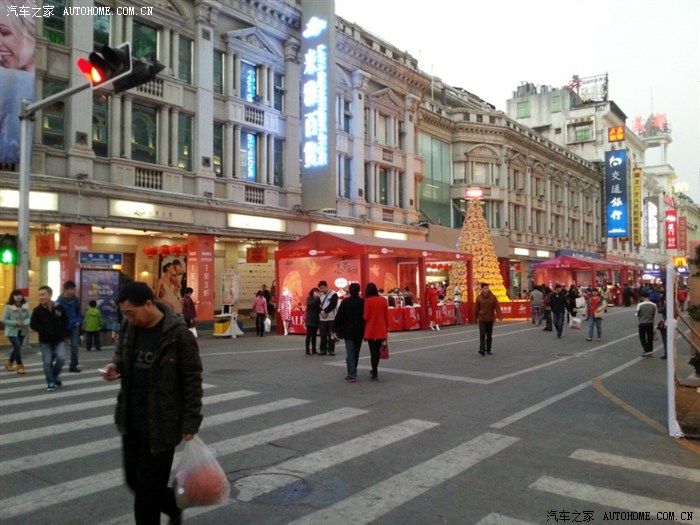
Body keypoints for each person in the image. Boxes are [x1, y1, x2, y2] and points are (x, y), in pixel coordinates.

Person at [100, 282, 203, 525]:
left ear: (148, 304)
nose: (128, 318)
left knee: (145, 499)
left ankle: (168, 506)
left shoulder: (177, 334)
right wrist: (115, 366)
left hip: (162, 425)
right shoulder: (130, 326)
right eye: (125, 314)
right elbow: (122, 353)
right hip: (131, 419)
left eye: (131, 312)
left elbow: (192, 379)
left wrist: (191, 421)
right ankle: (173, 504)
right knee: (134, 482)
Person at [30, 285, 68, 391]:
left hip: (59, 339)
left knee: (61, 358)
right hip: (45, 341)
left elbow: (65, 320)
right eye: (40, 295)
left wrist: (63, 333)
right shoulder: (37, 310)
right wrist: (43, 331)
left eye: (43, 294)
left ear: (50, 295)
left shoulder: (59, 307)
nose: (41, 297)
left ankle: (54, 376)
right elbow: (33, 324)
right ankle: (51, 381)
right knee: (47, 362)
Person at [333, 282, 365, 382]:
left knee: (350, 352)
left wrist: (334, 328)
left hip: (348, 331)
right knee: (356, 352)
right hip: (359, 331)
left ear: (350, 291)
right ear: (358, 291)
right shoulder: (363, 302)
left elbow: (339, 316)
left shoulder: (345, 302)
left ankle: (351, 374)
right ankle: (353, 370)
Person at [363, 282, 389, 380]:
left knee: (372, 351)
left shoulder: (367, 301)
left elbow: (366, 317)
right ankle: (375, 370)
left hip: (371, 329)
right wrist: (386, 328)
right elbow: (386, 315)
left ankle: (374, 371)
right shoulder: (383, 300)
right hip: (381, 329)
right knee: (377, 351)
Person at [56, 281, 83, 373]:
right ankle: (56, 363)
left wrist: (79, 320)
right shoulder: (59, 301)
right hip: (63, 328)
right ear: (65, 290)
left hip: (74, 327)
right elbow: (58, 316)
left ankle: (73, 365)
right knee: (59, 347)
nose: (72, 291)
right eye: (70, 289)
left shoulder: (75, 300)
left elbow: (78, 312)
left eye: (73, 289)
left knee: (75, 346)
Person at [3, 289, 30, 374]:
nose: (18, 296)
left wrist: (24, 323)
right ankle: (19, 365)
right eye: (16, 295)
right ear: (12, 297)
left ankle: (9, 363)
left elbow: (29, 318)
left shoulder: (25, 306)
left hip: (22, 330)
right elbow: (3, 320)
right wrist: (15, 323)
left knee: (17, 348)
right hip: (11, 331)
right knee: (17, 347)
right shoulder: (9, 307)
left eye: (20, 295)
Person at [474, 282, 503, 356]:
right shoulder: (479, 298)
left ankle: (488, 349)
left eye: (487, 288)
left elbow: (497, 307)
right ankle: (482, 349)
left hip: (490, 319)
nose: (486, 289)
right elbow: (476, 309)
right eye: (485, 288)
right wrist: (475, 318)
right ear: (482, 289)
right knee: (482, 334)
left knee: (489, 335)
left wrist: (499, 315)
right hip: (482, 319)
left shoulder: (493, 297)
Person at [318, 280, 338, 356]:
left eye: (322, 288)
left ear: (326, 287)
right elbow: (318, 305)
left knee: (331, 335)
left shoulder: (333, 294)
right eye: (320, 288)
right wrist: (321, 312)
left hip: (331, 318)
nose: (321, 290)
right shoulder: (320, 296)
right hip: (322, 319)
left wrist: (325, 311)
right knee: (322, 335)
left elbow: (333, 305)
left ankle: (331, 350)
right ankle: (323, 350)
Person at [636, 290, 656, 357]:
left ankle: (647, 350)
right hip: (650, 323)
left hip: (642, 323)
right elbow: (654, 315)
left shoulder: (640, 305)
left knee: (642, 337)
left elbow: (637, 314)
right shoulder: (654, 305)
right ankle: (650, 350)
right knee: (650, 337)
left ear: (642, 297)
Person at [305, 287, 321, 355]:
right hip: (310, 319)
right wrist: (317, 298)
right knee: (309, 335)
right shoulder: (309, 298)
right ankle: (307, 350)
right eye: (315, 292)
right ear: (312, 292)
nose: (316, 293)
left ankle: (314, 349)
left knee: (314, 336)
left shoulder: (318, 299)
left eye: (317, 292)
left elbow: (319, 307)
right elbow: (311, 304)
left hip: (316, 319)